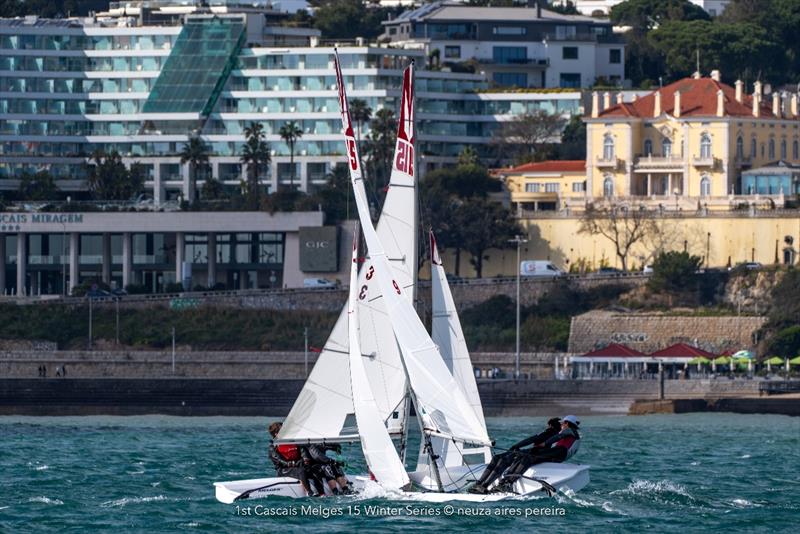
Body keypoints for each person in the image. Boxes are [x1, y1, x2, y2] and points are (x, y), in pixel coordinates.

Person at [468, 417, 561, 494]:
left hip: (531, 453)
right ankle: (479, 484)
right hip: (530, 451)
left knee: (502, 460)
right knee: (497, 457)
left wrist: (516, 446)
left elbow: (531, 440)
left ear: (550, 425)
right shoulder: (554, 434)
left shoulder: (549, 433)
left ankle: (484, 485)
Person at [494, 415, 581, 492]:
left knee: (528, 457)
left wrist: (544, 443)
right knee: (525, 456)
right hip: (558, 455)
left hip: (559, 452)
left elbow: (557, 437)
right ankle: (505, 482)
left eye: (562, 424)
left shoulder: (569, 430)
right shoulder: (573, 434)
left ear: (567, 423)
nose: (561, 425)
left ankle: (507, 483)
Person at [267, 422, 314, 495]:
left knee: (316, 469)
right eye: (284, 430)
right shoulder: (273, 447)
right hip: (283, 470)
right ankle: (309, 492)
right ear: (276, 433)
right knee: (301, 471)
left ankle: (327, 491)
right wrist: (292, 463)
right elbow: (279, 460)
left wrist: (305, 459)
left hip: (297, 467)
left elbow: (302, 452)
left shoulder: (293, 441)